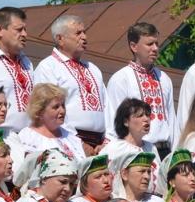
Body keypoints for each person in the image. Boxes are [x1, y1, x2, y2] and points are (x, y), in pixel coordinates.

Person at [34, 15, 108, 156]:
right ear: (60, 38)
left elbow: (107, 107)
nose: (84, 37)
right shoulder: (48, 67)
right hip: (66, 140)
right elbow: (50, 110)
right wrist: (77, 142)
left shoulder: (93, 68)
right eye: (78, 33)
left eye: (84, 32)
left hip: (100, 144)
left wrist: (107, 142)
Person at [104, 22, 179, 157]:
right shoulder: (121, 79)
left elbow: (172, 121)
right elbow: (114, 122)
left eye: (157, 43)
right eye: (149, 44)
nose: (155, 48)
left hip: (165, 151)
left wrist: (177, 154)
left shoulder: (164, 78)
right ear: (134, 46)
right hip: (136, 152)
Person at [17, 83, 86, 161]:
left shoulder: (70, 137)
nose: (62, 111)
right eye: (55, 107)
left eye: (63, 105)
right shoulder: (28, 139)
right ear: (39, 112)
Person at [102, 99, 158, 185]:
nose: (146, 119)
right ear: (126, 122)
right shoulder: (115, 147)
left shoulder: (151, 148)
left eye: (147, 115)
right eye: (140, 116)